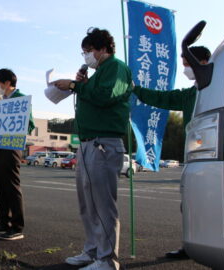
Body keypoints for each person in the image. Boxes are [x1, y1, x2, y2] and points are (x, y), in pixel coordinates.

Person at [53, 28, 132, 270]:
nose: (86, 56)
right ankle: (92, 251)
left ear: (103, 49)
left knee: (102, 204)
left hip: (103, 144)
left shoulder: (116, 68)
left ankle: (108, 260)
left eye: (89, 51)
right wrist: (82, 84)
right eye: (84, 52)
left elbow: (105, 96)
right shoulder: (98, 73)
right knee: (87, 203)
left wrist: (76, 86)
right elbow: (96, 93)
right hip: (89, 144)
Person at [132, 46, 211, 259]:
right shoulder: (189, 94)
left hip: (218, 159)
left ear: (203, 62)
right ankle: (190, 245)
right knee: (189, 204)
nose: (185, 68)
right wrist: (136, 89)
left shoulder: (221, 88)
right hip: (194, 158)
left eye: (187, 64)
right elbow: (163, 98)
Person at [0, 68, 35, 241]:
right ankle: (3, 221)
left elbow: (30, 124)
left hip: (12, 146)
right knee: (0, 184)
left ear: (7, 83)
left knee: (12, 186)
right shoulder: (1, 101)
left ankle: (17, 226)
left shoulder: (20, 99)